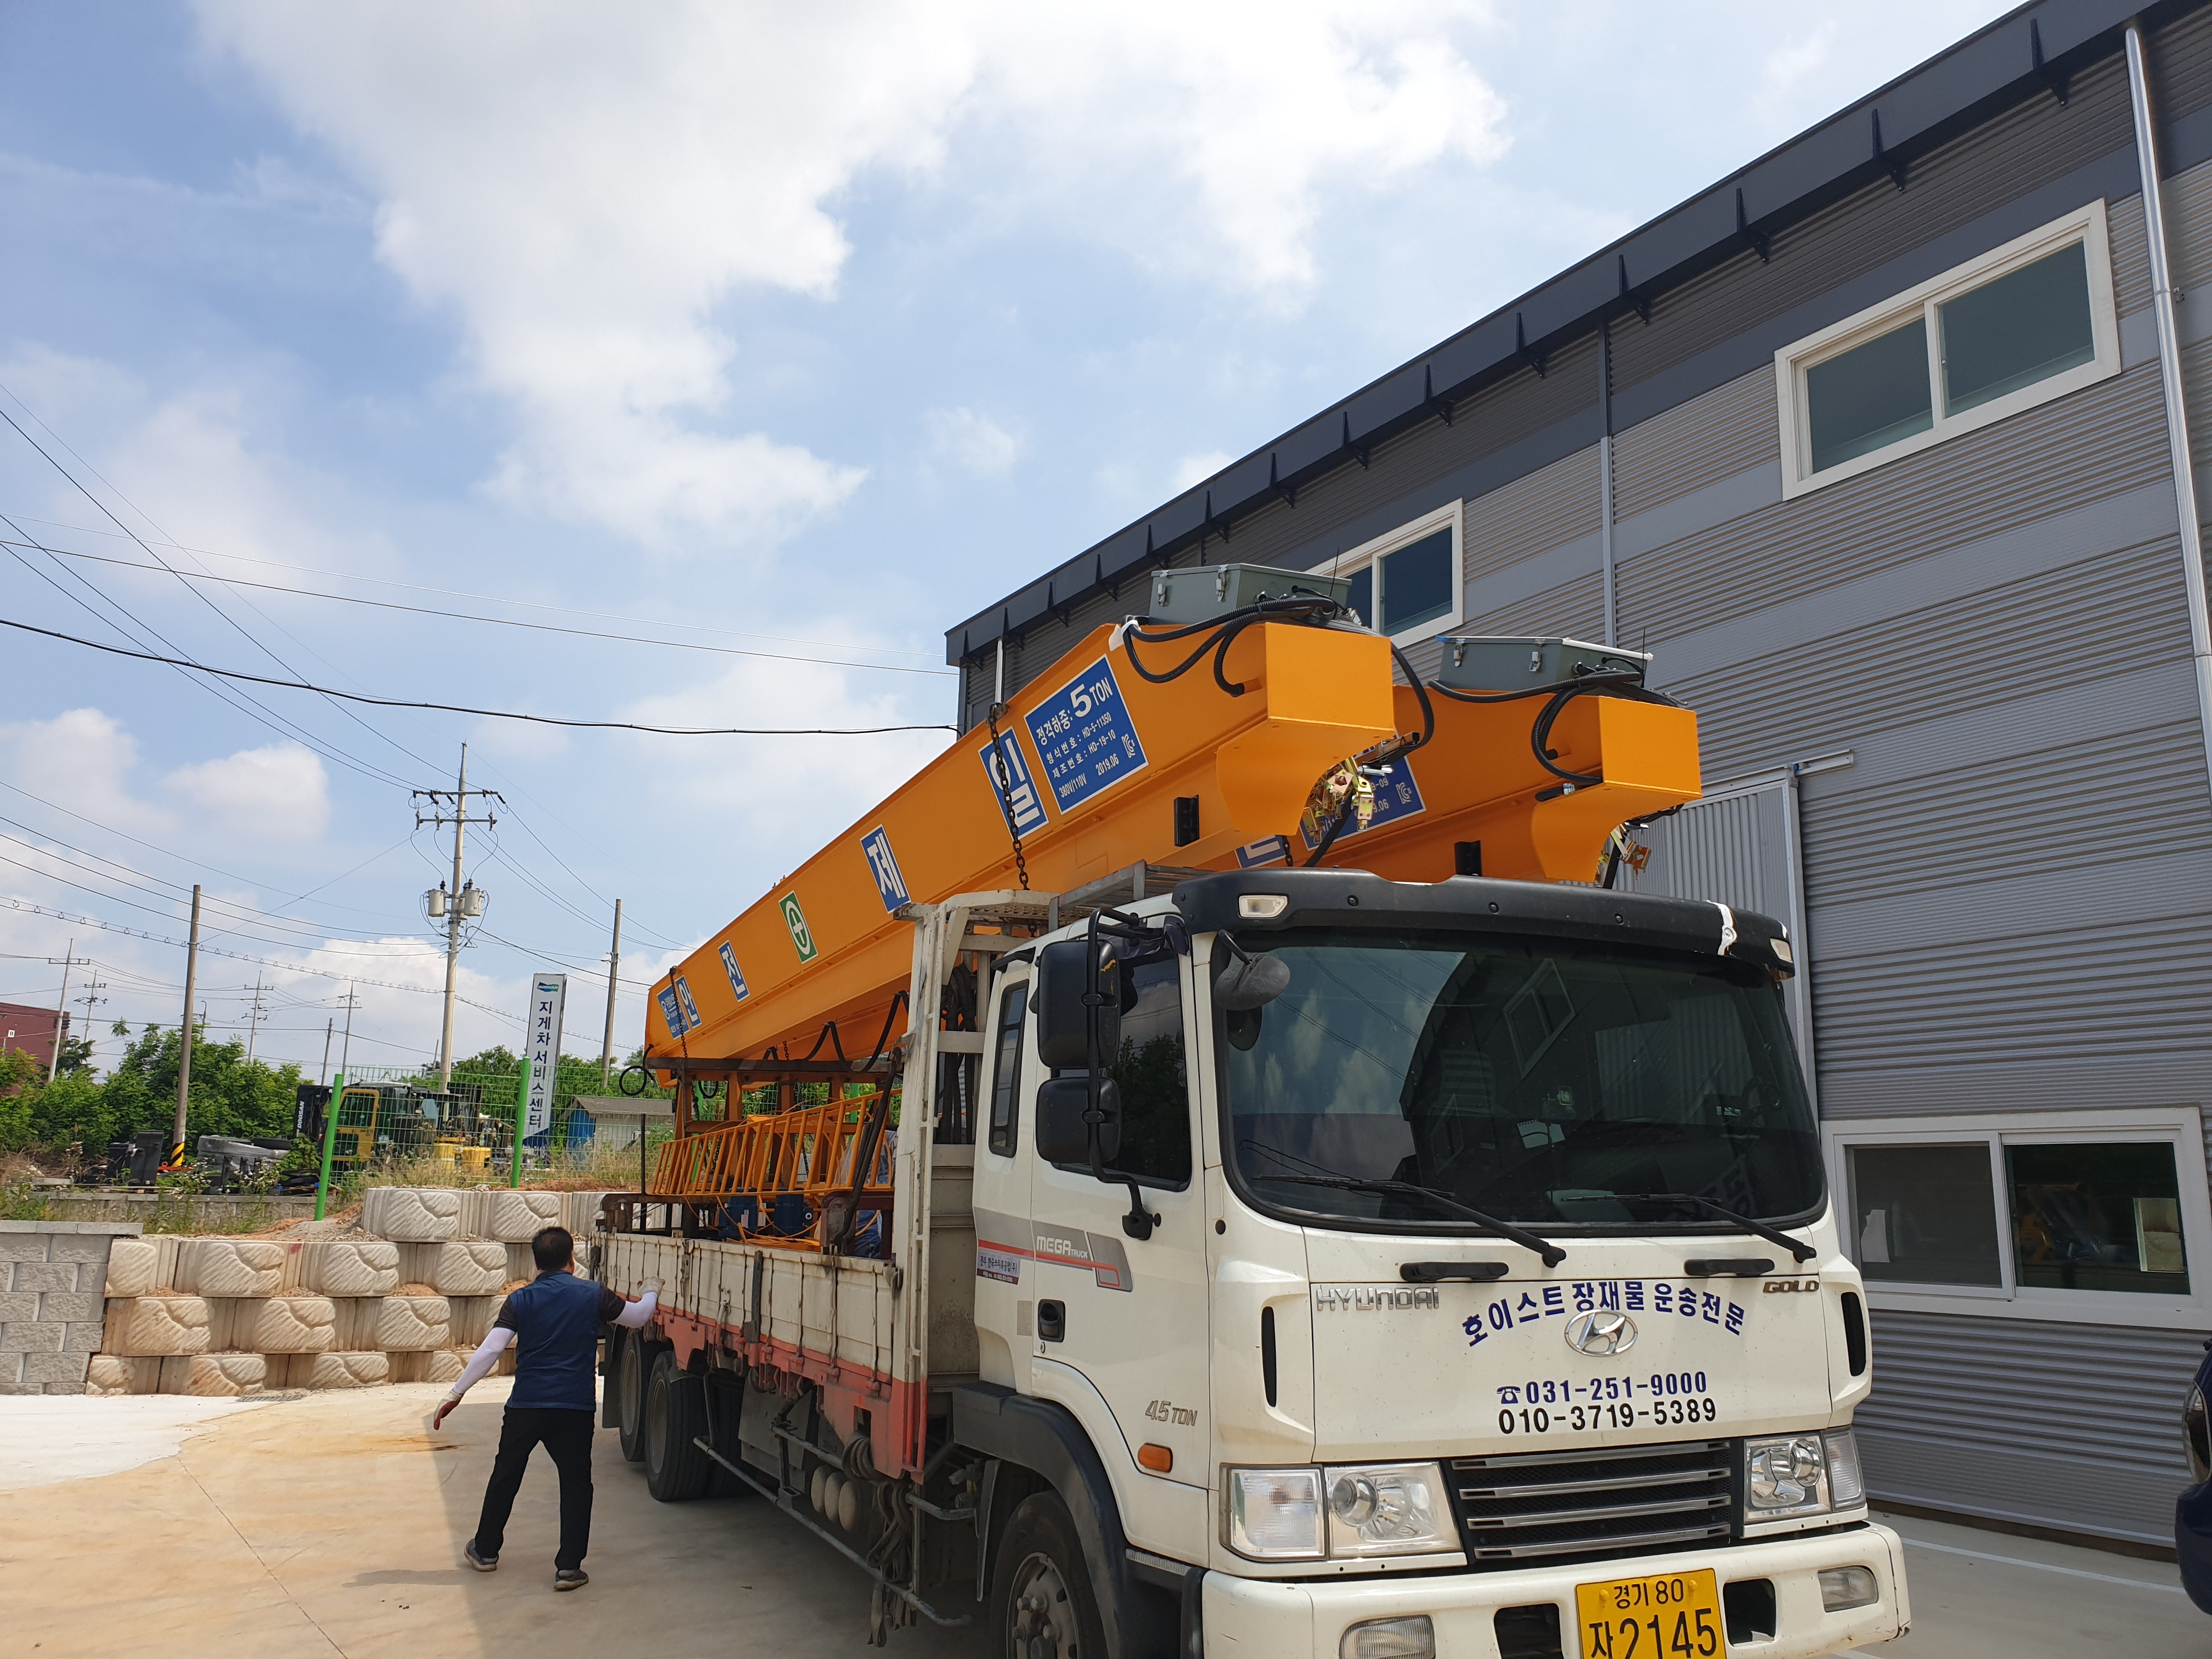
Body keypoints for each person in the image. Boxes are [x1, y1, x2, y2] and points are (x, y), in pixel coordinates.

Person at [433, 1224, 658, 1590]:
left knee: (506, 1475)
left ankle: (485, 1551)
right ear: (572, 1260)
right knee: (576, 1483)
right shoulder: (593, 1294)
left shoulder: (520, 1300)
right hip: (574, 1407)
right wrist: (651, 1291)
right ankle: (569, 1568)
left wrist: (456, 1393)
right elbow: (638, 1317)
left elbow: (492, 1349)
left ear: (536, 1263)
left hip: (526, 1406)